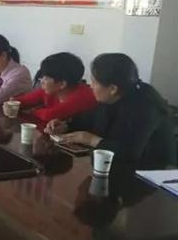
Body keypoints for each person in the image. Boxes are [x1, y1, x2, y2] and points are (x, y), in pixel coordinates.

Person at [47, 53, 176, 167]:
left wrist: (91, 140)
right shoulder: (111, 99)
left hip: (152, 174)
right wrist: (65, 126)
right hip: (116, 166)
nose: (91, 86)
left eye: (94, 82)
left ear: (113, 89)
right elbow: (88, 120)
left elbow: (129, 152)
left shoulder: (146, 107)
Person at [14, 52, 97, 122]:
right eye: (42, 77)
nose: (42, 81)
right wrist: (12, 104)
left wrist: (32, 111)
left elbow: (49, 115)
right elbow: (21, 102)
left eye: (46, 78)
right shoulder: (51, 89)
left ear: (62, 84)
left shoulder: (82, 96)